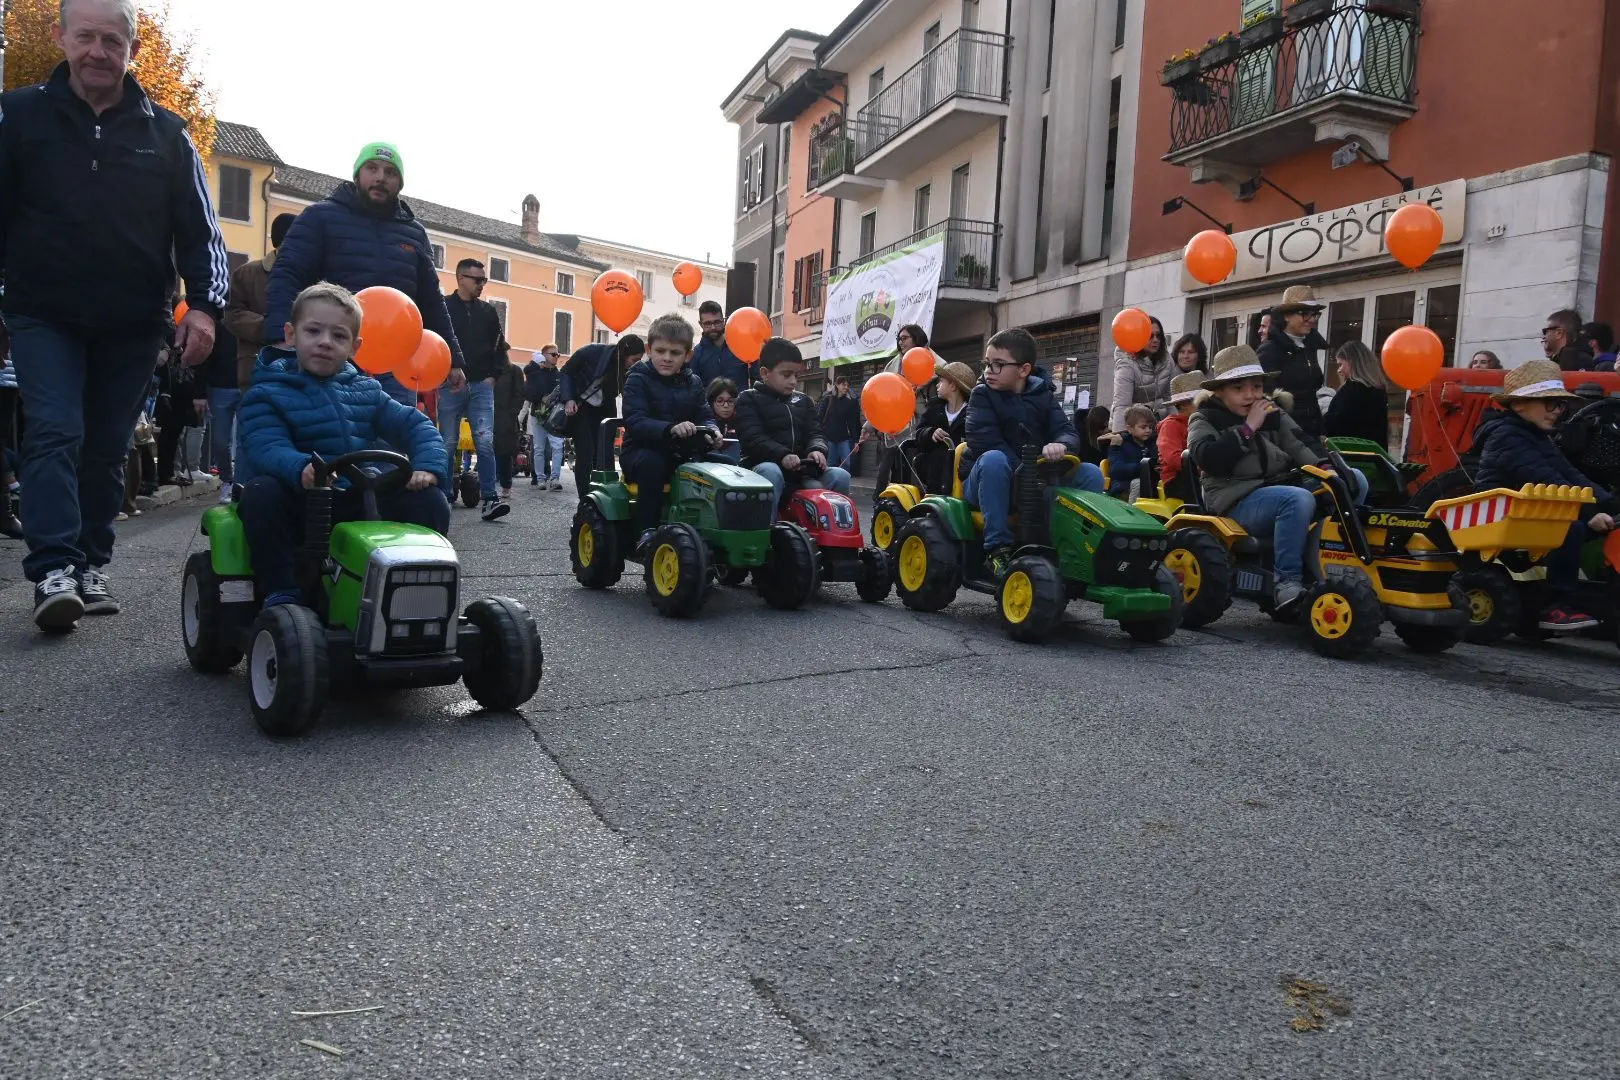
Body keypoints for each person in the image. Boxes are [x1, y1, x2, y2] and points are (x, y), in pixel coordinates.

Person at [0, 0, 231, 632]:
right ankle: (53, 568)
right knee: (54, 429)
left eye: (112, 40)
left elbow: (202, 232)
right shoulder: (17, 115)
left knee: (106, 447)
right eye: (86, 38)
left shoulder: (167, 132)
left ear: (131, 48)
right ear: (61, 38)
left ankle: (90, 563)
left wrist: (206, 309)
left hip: (132, 319)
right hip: (42, 311)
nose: (98, 52)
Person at [235, 283, 451, 609]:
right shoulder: (266, 392)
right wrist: (301, 468)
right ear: (291, 335)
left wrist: (427, 466)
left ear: (355, 346)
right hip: (299, 500)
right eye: (314, 331)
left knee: (428, 500)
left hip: (356, 494)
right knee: (260, 493)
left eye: (338, 336)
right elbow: (266, 445)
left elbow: (414, 424)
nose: (325, 342)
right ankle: (282, 591)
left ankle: (416, 586)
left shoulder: (366, 390)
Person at [263, 141, 465, 408]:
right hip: (333, 355)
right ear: (358, 174)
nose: (381, 177)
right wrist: (281, 336)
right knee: (333, 439)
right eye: (373, 168)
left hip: (397, 364)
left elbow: (431, 299)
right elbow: (287, 275)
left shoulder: (414, 232)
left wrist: (453, 359)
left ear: (399, 183)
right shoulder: (319, 217)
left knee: (392, 443)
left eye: (390, 172)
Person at [1189, 345, 1369, 613]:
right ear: (1219, 392)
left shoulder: (1273, 414)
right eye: (1239, 389)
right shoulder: (1204, 418)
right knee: (1296, 499)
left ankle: (1338, 563)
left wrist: (1324, 467)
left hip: (1276, 488)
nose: (1251, 395)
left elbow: (1299, 443)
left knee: (1354, 479)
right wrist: (1248, 428)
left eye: (1257, 386)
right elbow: (1208, 458)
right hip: (1235, 499)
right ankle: (1287, 582)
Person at [1474, 359, 1617, 629]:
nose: (1557, 410)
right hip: (1501, 516)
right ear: (1519, 405)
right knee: (1570, 528)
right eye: (1550, 402)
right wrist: (1589, 512)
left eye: (1561, 404)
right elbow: (1545, 478)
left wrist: (1609, 504)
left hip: (1530, 512)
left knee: (1582, 526)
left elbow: (1570, 475)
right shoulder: (1507, 436)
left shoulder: (1536, 435)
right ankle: (1554, 604)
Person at [964, 328, 1103, 578]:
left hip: (1034, 480)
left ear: (1024, 369)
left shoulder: (1044, 396)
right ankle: (998, 549)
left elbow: (1067, 432)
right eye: (987, 364)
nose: (988, 371)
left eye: (998, 365)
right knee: (994, 459)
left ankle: (1077, 547)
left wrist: (1062, 445)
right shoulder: (982, 395)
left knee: (1091, 474)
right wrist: (1031, 472)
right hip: (990, 481)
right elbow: (984, 442)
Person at [620, 314, 719, 554]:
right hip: (642, 451)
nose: (666, 358)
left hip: (682, 452)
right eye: (660, 351)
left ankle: (717, 527)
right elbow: (635, 420)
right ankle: (647, 530)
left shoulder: (693, 382)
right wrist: (669, 429)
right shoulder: (637, 379)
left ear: (688, 355)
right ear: (648, 350)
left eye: (675, 353)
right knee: (654, 465)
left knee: (724, 467)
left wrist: (712, 430)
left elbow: (703, 413)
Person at [736, 338, 852, 516]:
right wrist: (782, 455)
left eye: (796, 375)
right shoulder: (748, 400)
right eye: (786, 374)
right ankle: (765, 533)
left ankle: (834, 538)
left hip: (802, 471)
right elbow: (753, 438)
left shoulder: (804, 401)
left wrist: (817, 449)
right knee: (771, 471)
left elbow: (816, 432)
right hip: (760, 470)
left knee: (840, 475)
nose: (793, 381)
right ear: (765, 373)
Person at [440, 258, 510, 521]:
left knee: (485, 441)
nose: (482, 284)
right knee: (447, 443)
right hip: (449, 385)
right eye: (477, 279)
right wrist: (444, 369)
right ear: (460, 278)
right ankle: (444, 497)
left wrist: (494, 376)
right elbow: (435, 341)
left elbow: (499, 345)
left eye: (484, 280)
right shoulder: (443, 308)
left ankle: (490, 500)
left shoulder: (488, 312)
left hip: (482, 384)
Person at [560, 334, 645, 494]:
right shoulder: (592, 352)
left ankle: (604, 494)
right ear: (623, 354)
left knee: (604, 454)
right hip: (580, 407)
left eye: (639, 360)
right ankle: (585, 499)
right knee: (586, 453)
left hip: (604, 410)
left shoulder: (630, 370)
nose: (636, 364)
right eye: (634, 360)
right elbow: (566, 372)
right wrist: (568, 399)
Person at [226, 213, 297, 388]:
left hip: (300, 371)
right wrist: (271, 327)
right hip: (257, 368)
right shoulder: (247, 273)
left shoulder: (309, 274)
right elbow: (232, 314)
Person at [857, 324, 930, 492]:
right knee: (886, 469)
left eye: (905, 338)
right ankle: (881, 502)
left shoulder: (931, 361)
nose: (900, 342)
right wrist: (868, 426)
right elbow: (882, 397)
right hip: (893, 428)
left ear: (916, 338)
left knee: (912, 470)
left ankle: (912, 506)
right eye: (899, 339)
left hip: (919, 428)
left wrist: (923, 385)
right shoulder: (892, 365)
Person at [1257, 285, 1329, 438]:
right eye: (1304, 314)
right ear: (1286, 316)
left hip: (1311, 434)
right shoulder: (1270, 350)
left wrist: (1321, 431)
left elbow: (1311, 397)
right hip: (1284, 435)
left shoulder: (1309, 347)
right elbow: (1263, 396)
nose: (1311, 320)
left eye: (1315, 314)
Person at [915, 361, 975, 494]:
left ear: (953, 386)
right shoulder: (934, 408)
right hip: (932, 475)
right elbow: (918, 433)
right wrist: (930, 433)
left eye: (941, 381)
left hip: (961, 477)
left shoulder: (973, 413)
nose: (937, 385)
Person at [1322, 340, 1392, 449]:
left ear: (1352, 362)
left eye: (1341, 364)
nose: (1339, 370)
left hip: (1350, 455)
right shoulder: (1378, 390)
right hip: (1374, 454)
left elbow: (1337, 424)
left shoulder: (1352, 390)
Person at [1110, 315, 1172, 431]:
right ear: (1138, 336)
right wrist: (1120, 438)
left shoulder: (1167, 361)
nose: (1155, 340)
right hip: (1133, 429)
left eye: (1158, 336)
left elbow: (1170, 399)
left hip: (1160, 426)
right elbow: (1122, 404)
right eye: (1150, 336)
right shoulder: (1126, 363)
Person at [523, 344, 564, 489]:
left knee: (558, 447)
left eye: (557, 355)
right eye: (553, 354)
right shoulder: (534, 373)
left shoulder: (560, 375)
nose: (556, 357)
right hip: (538, 415)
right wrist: (541, 397)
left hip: (555, 416)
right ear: (544, 355)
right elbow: (527, 394)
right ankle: (540, 478)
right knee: (539, 448)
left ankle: (555, 479)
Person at [1157, 371, 1203, 495]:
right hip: (1177, 479)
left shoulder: (1203, 422)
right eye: (1201, 401)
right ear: (1183, 404)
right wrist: (1204, 466)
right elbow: (1173, 459)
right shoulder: (1170, 425)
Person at [491, 354, 527, 502]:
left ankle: (506, 485)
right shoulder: (487, 370)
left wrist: (512, 412)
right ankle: (488, 486)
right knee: (487, 451)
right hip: (488, 415)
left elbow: (520, 394)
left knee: (505, 453)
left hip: (506, 418)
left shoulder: (514, 371)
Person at [691, 301, 751, 389]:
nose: (713, 327)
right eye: (707, 323)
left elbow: (757, 379)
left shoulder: (741, 347)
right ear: (700, 324)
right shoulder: (696, 354)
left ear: (723, 321)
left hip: (742, 402)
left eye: (717, 322)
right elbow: (695, 389)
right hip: (709, 402)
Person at [1107, 405, 1159, 499]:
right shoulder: (1119, 444)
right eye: (1143, 427)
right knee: (1138, 484)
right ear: (1130, 429)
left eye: (1150, 427)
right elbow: (1116, 470)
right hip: (1124, 488)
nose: (1148, 430)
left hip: (1149, 485)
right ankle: (1134, 512)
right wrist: (1143, 468)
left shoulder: (1152, 444)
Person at [818, 375, 862, 470]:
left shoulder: (848, 402)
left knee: (846, 463)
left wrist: (855, 441)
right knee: (831, 464)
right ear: (837, 385)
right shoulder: (827, 399)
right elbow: (819, 418)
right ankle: (831, 484)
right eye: (843, 384)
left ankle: (844, 483)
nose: (846, 387)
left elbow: (852, 423)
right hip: (829, 438)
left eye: (848, 385)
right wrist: (821, 434)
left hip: (843, 438)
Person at [707, 378, 742, 464]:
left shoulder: (743, 420)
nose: (726, 405)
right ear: (711, 402)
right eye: (720, 401)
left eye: (730, 401)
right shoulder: (704, 421)